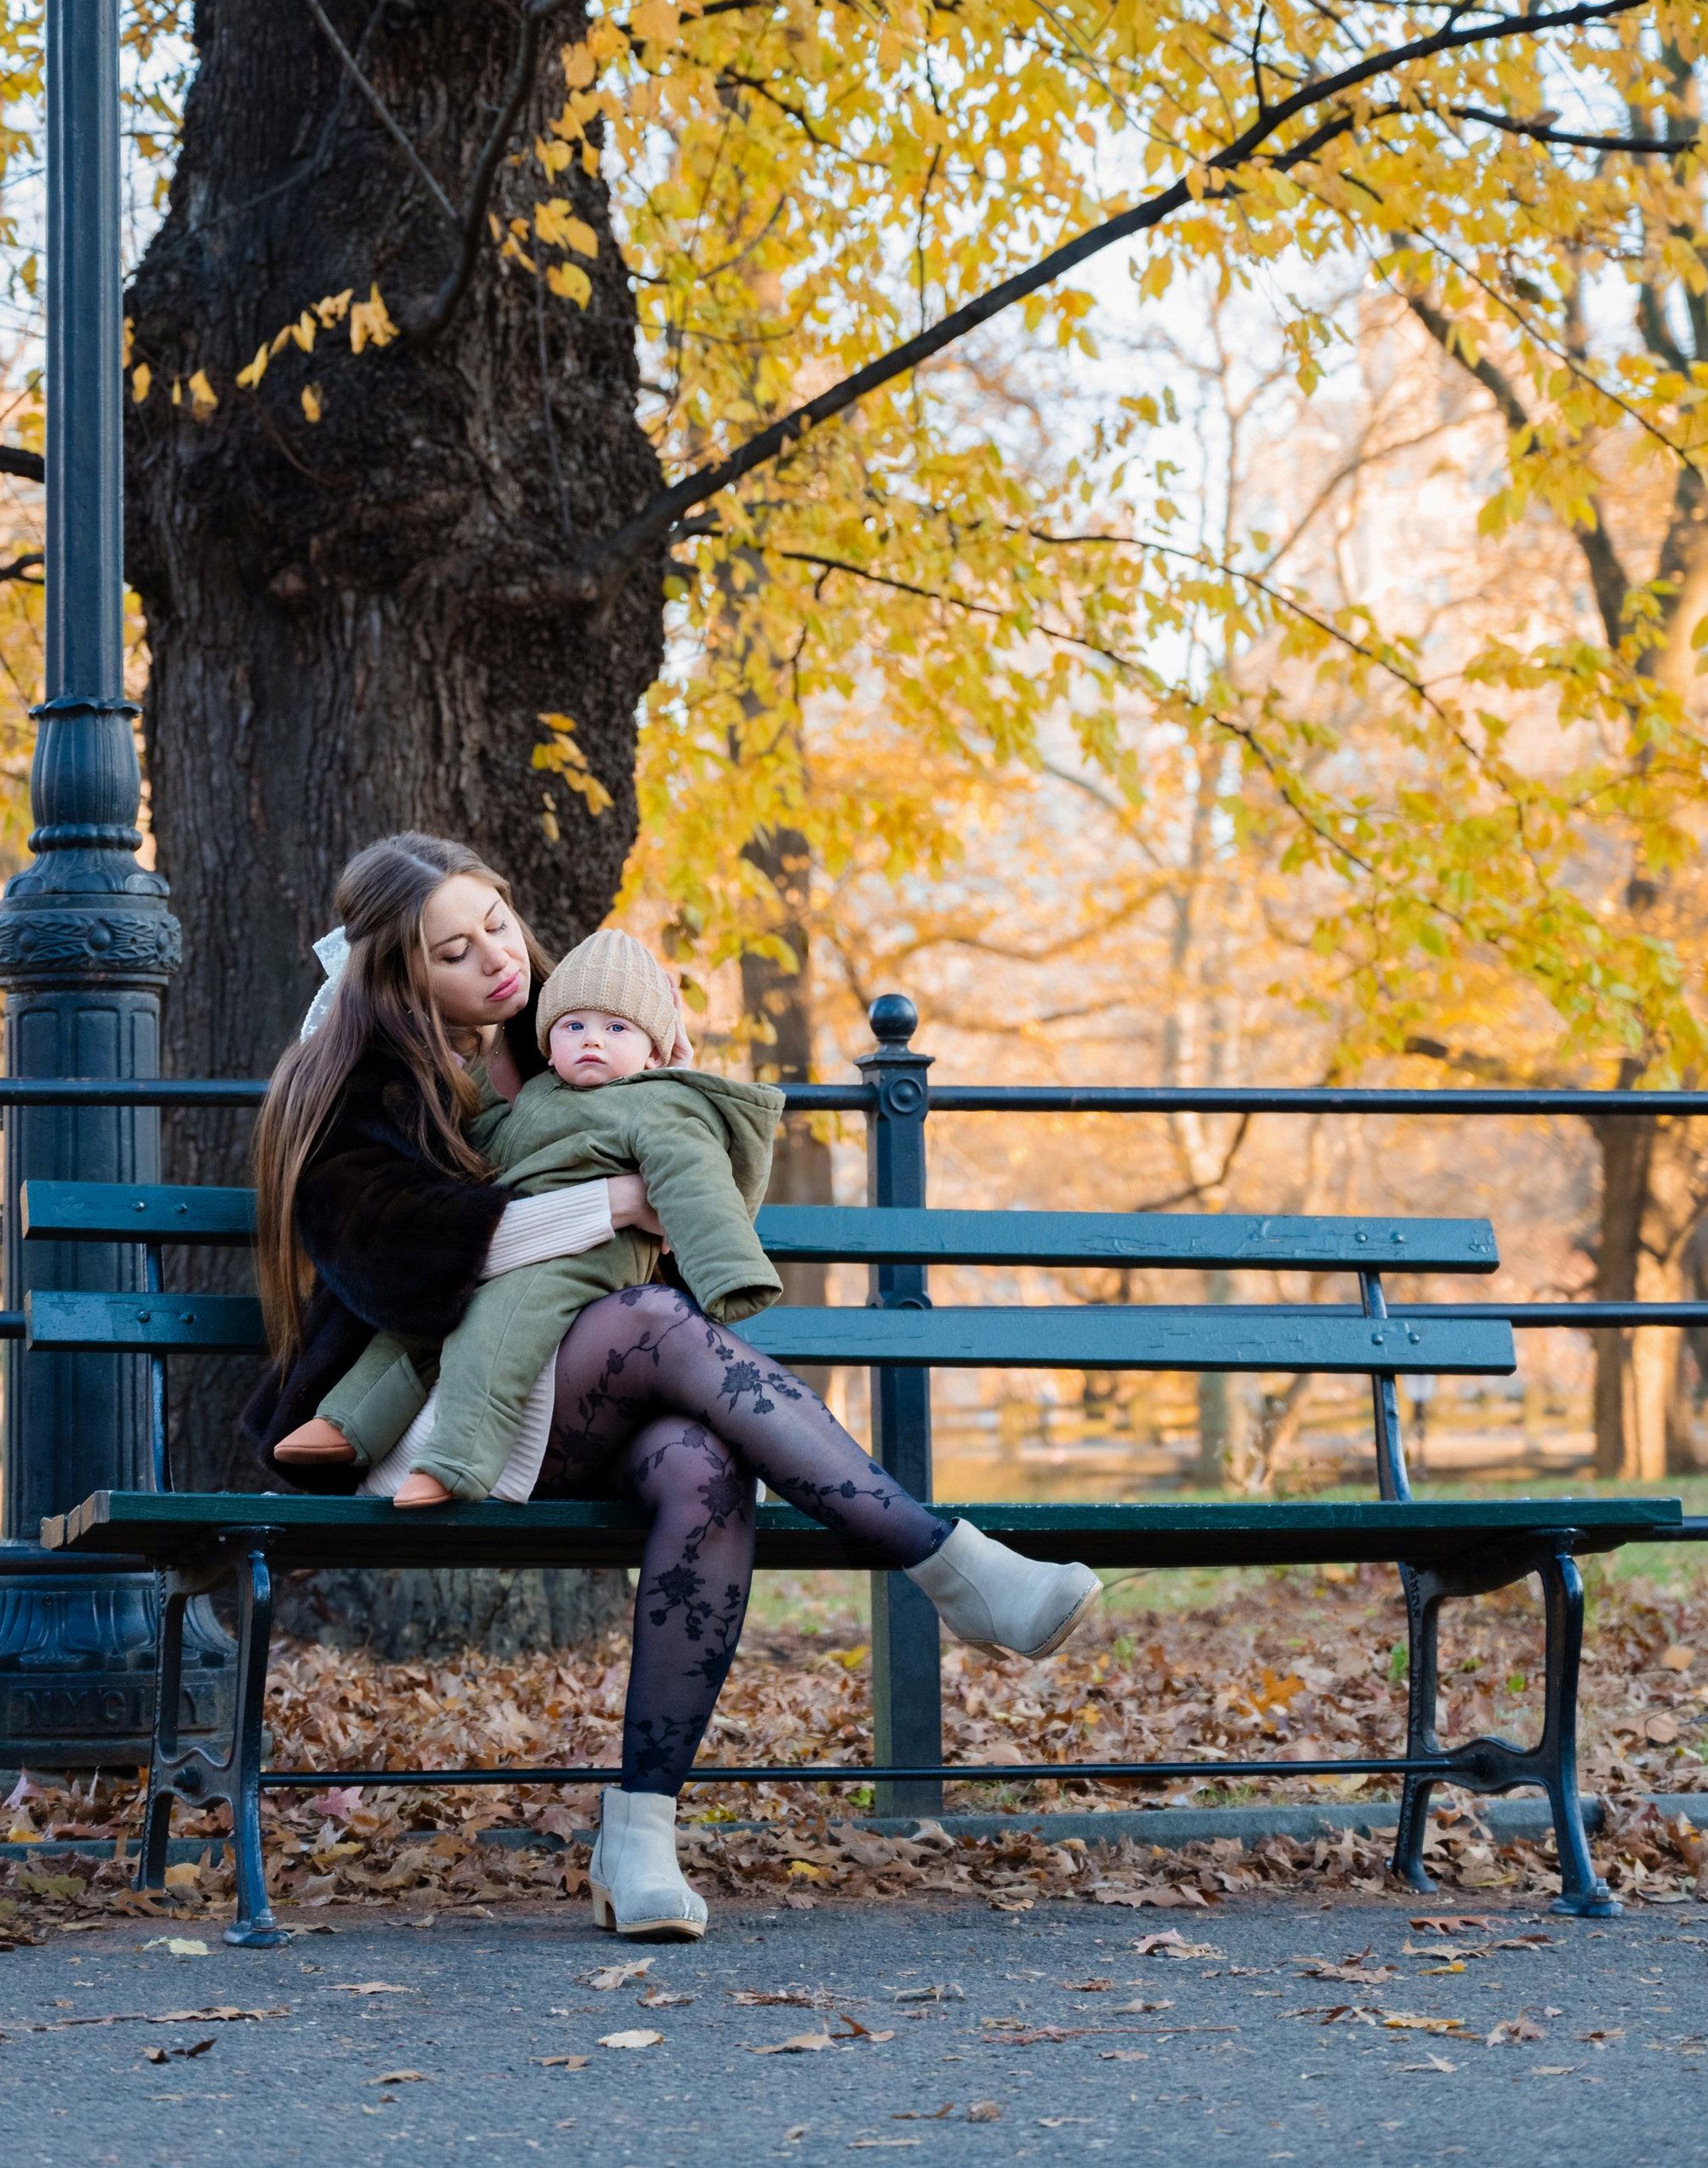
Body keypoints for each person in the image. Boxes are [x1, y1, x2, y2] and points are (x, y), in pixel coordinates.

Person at [244, 832, 1101, 1945]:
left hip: (590, 1391)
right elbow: (396, 1261)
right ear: (401, 977)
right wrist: (608, 1203)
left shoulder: (568, 1025)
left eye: (497, 923)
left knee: (703, 1463)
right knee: (650, 1319)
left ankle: (640, 1833)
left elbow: (685, 1204)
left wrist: (671, 1094)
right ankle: (949, 1564)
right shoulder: (354, 1078)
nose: (497, 959)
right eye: (454, 952)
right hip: (436, 1408)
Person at [278, 926, 787, 1505]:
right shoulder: (541, 1096)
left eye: (617, 1028)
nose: (592, 1040)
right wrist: (455, 1063)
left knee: (496, 1328)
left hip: (586, 1261)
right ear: (549, 1045)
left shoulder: (657, 1103)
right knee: (418, 1323)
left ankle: (455, 1462)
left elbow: (697, 1182)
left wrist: (729, 1274)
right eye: (574, 1026)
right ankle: (346, 1423)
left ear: (652, 1051)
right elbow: (492, 1134)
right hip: (524, 1263)